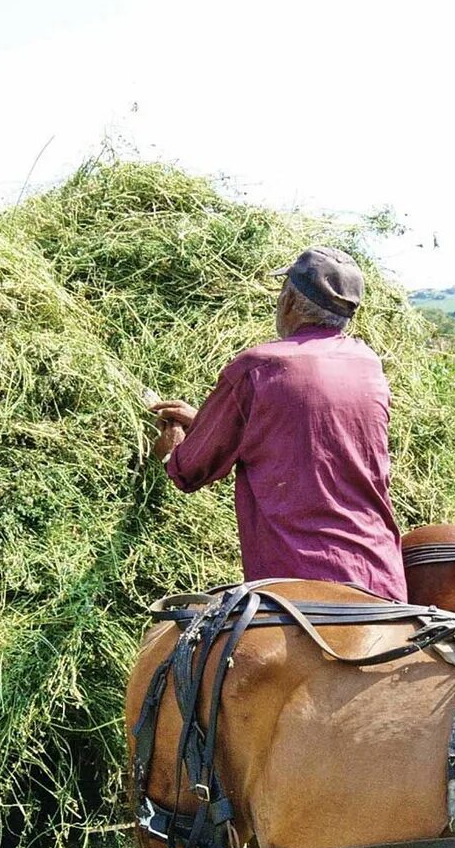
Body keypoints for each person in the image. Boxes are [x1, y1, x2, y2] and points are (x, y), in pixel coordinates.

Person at [152, 248, 406, 599]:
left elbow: (189, 471)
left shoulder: (258, 367)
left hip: (297, 589)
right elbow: (313, 438)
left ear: (287, 300)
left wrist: (172, 449)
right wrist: (207, 422)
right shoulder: (368, 364)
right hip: (381, 581)